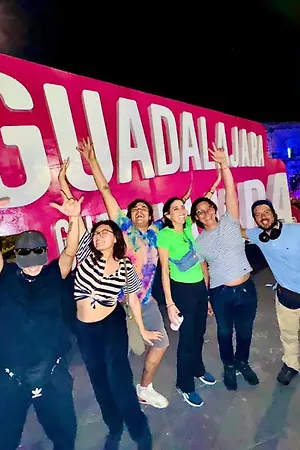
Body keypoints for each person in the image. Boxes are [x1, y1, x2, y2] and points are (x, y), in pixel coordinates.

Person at [72, 137, 220, 409]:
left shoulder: (157, 232)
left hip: (145, 301)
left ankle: (145, 388)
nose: (139, 211)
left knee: (161, 342)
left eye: (144, 209)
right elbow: (105, 190)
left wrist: (207, 190)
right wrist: (91, 161)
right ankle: (114, 393)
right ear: (129, 216)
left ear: (152, 217)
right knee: (119, 351)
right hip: (117, 303)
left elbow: (183, 215)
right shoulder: (123, 229)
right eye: (135, 209)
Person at [0, 186, 79, 450]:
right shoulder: (6, 276)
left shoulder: (54, 275)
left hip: (52, 373)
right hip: (11, 375)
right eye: (25, 254)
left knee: (65, 437)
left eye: (37, 252)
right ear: (17, 256)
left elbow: (70, 251)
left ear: (45, 252)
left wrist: (73, 217)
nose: (32, 261)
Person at [72, 204, 162, 449]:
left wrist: (142, 329)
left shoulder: (125, 266)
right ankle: (114, 426)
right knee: (99, 380)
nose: (99, 235)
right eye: (96, 233)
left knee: (119, 379)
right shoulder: (86, 255)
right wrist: (73, 210)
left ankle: (139, 431)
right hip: (85, 330)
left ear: (115, 239)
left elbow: (133, 299)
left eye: (105, 232)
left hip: (111, 325)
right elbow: (77, 221)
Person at [192, 144, 259, 392]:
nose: (205, 213)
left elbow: (231, 192)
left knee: (245, 331)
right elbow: (204, 271)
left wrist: (224, 165)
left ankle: (242, 362)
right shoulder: (199, 242)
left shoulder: (230, 222)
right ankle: (229, 366)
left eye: (208, 208)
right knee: (223, 333)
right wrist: (207, 297)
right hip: (220, 293)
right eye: (200, 212)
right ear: (197, 218)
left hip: (247, 289)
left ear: (214, 209)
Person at [244, 199, 300, 397]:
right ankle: (291, 364)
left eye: (266, 212)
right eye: (258, 214)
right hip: (284, 296)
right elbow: (235, 230)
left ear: (274, 213)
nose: (263, 216)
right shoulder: (258, 236)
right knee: (288, 335)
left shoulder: (297, 230)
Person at [158, 196, 217, 408]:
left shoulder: (187, 229)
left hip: (199, 288)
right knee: (187, 338)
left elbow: (200, 263)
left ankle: (197, 368)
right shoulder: (165, 235)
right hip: (182, 291)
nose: (182, 211)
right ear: (167, 215)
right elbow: (164, 271)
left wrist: (207, 294)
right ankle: (184, 384)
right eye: (175, 209)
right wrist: (170, 303)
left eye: (183, 207)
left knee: (199, 333)